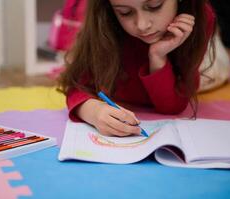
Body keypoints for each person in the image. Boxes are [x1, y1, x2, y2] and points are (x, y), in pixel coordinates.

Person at [58, 0, 216, 137]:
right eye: (124, 12)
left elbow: (173, 106)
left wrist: (157, 57)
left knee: (218, 72)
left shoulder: (200, 17)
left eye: (155, 6)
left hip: (207, 62)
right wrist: (93, 112)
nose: (142, 25)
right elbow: (77, 85)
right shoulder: (102, 20)